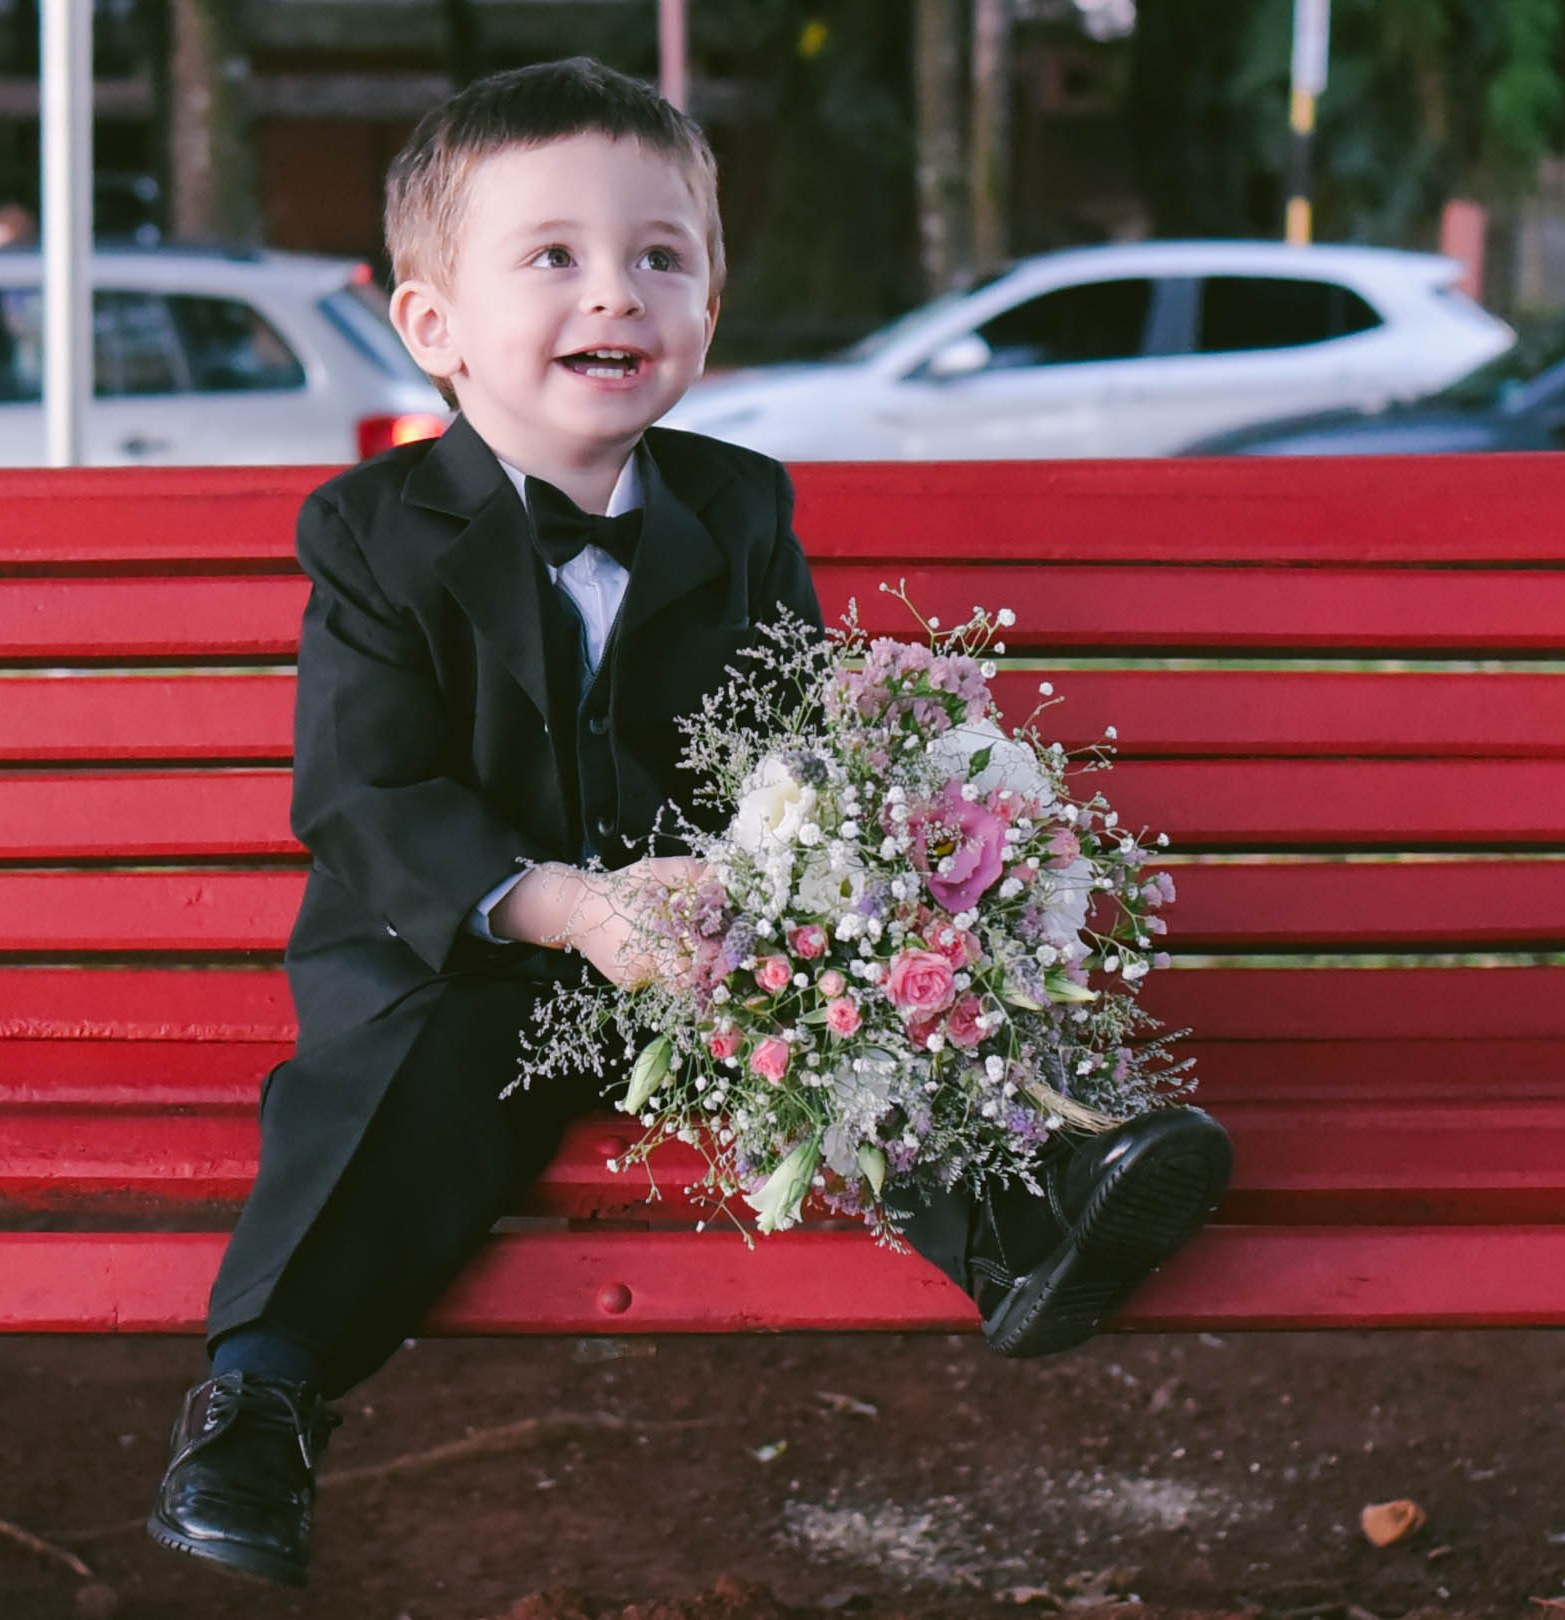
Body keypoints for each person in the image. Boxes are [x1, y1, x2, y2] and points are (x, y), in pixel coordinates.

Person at [145, 57, 1234, 1590]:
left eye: (661, 257)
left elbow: (787, 743)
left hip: (703, 936)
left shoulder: (739, 508)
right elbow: (364, 793)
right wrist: (564, 905)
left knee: (853, 1006)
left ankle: (1029, 1211)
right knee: (390, 1093)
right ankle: (261, 1398)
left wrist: (828, 872)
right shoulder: (374, 532)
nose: (617, 291)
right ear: (433, 327)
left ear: (709, 312)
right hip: (467, 953)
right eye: (554, 256)